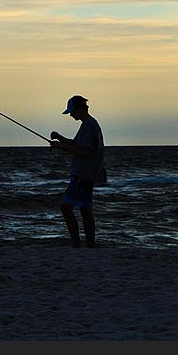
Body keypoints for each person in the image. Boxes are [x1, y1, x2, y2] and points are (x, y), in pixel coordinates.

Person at [50, 95, 105, 248]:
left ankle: (77, 245)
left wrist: (60, 146)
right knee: (85, 210)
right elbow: (76, 144)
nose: (71, 115)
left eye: (72, 111)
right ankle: (90, 245)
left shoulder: (89, 125)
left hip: (83, 174)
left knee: (66, 207)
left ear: (80, 109)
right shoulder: (88, 124)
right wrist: (60, 139)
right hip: (87, 174)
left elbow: (84, 151)